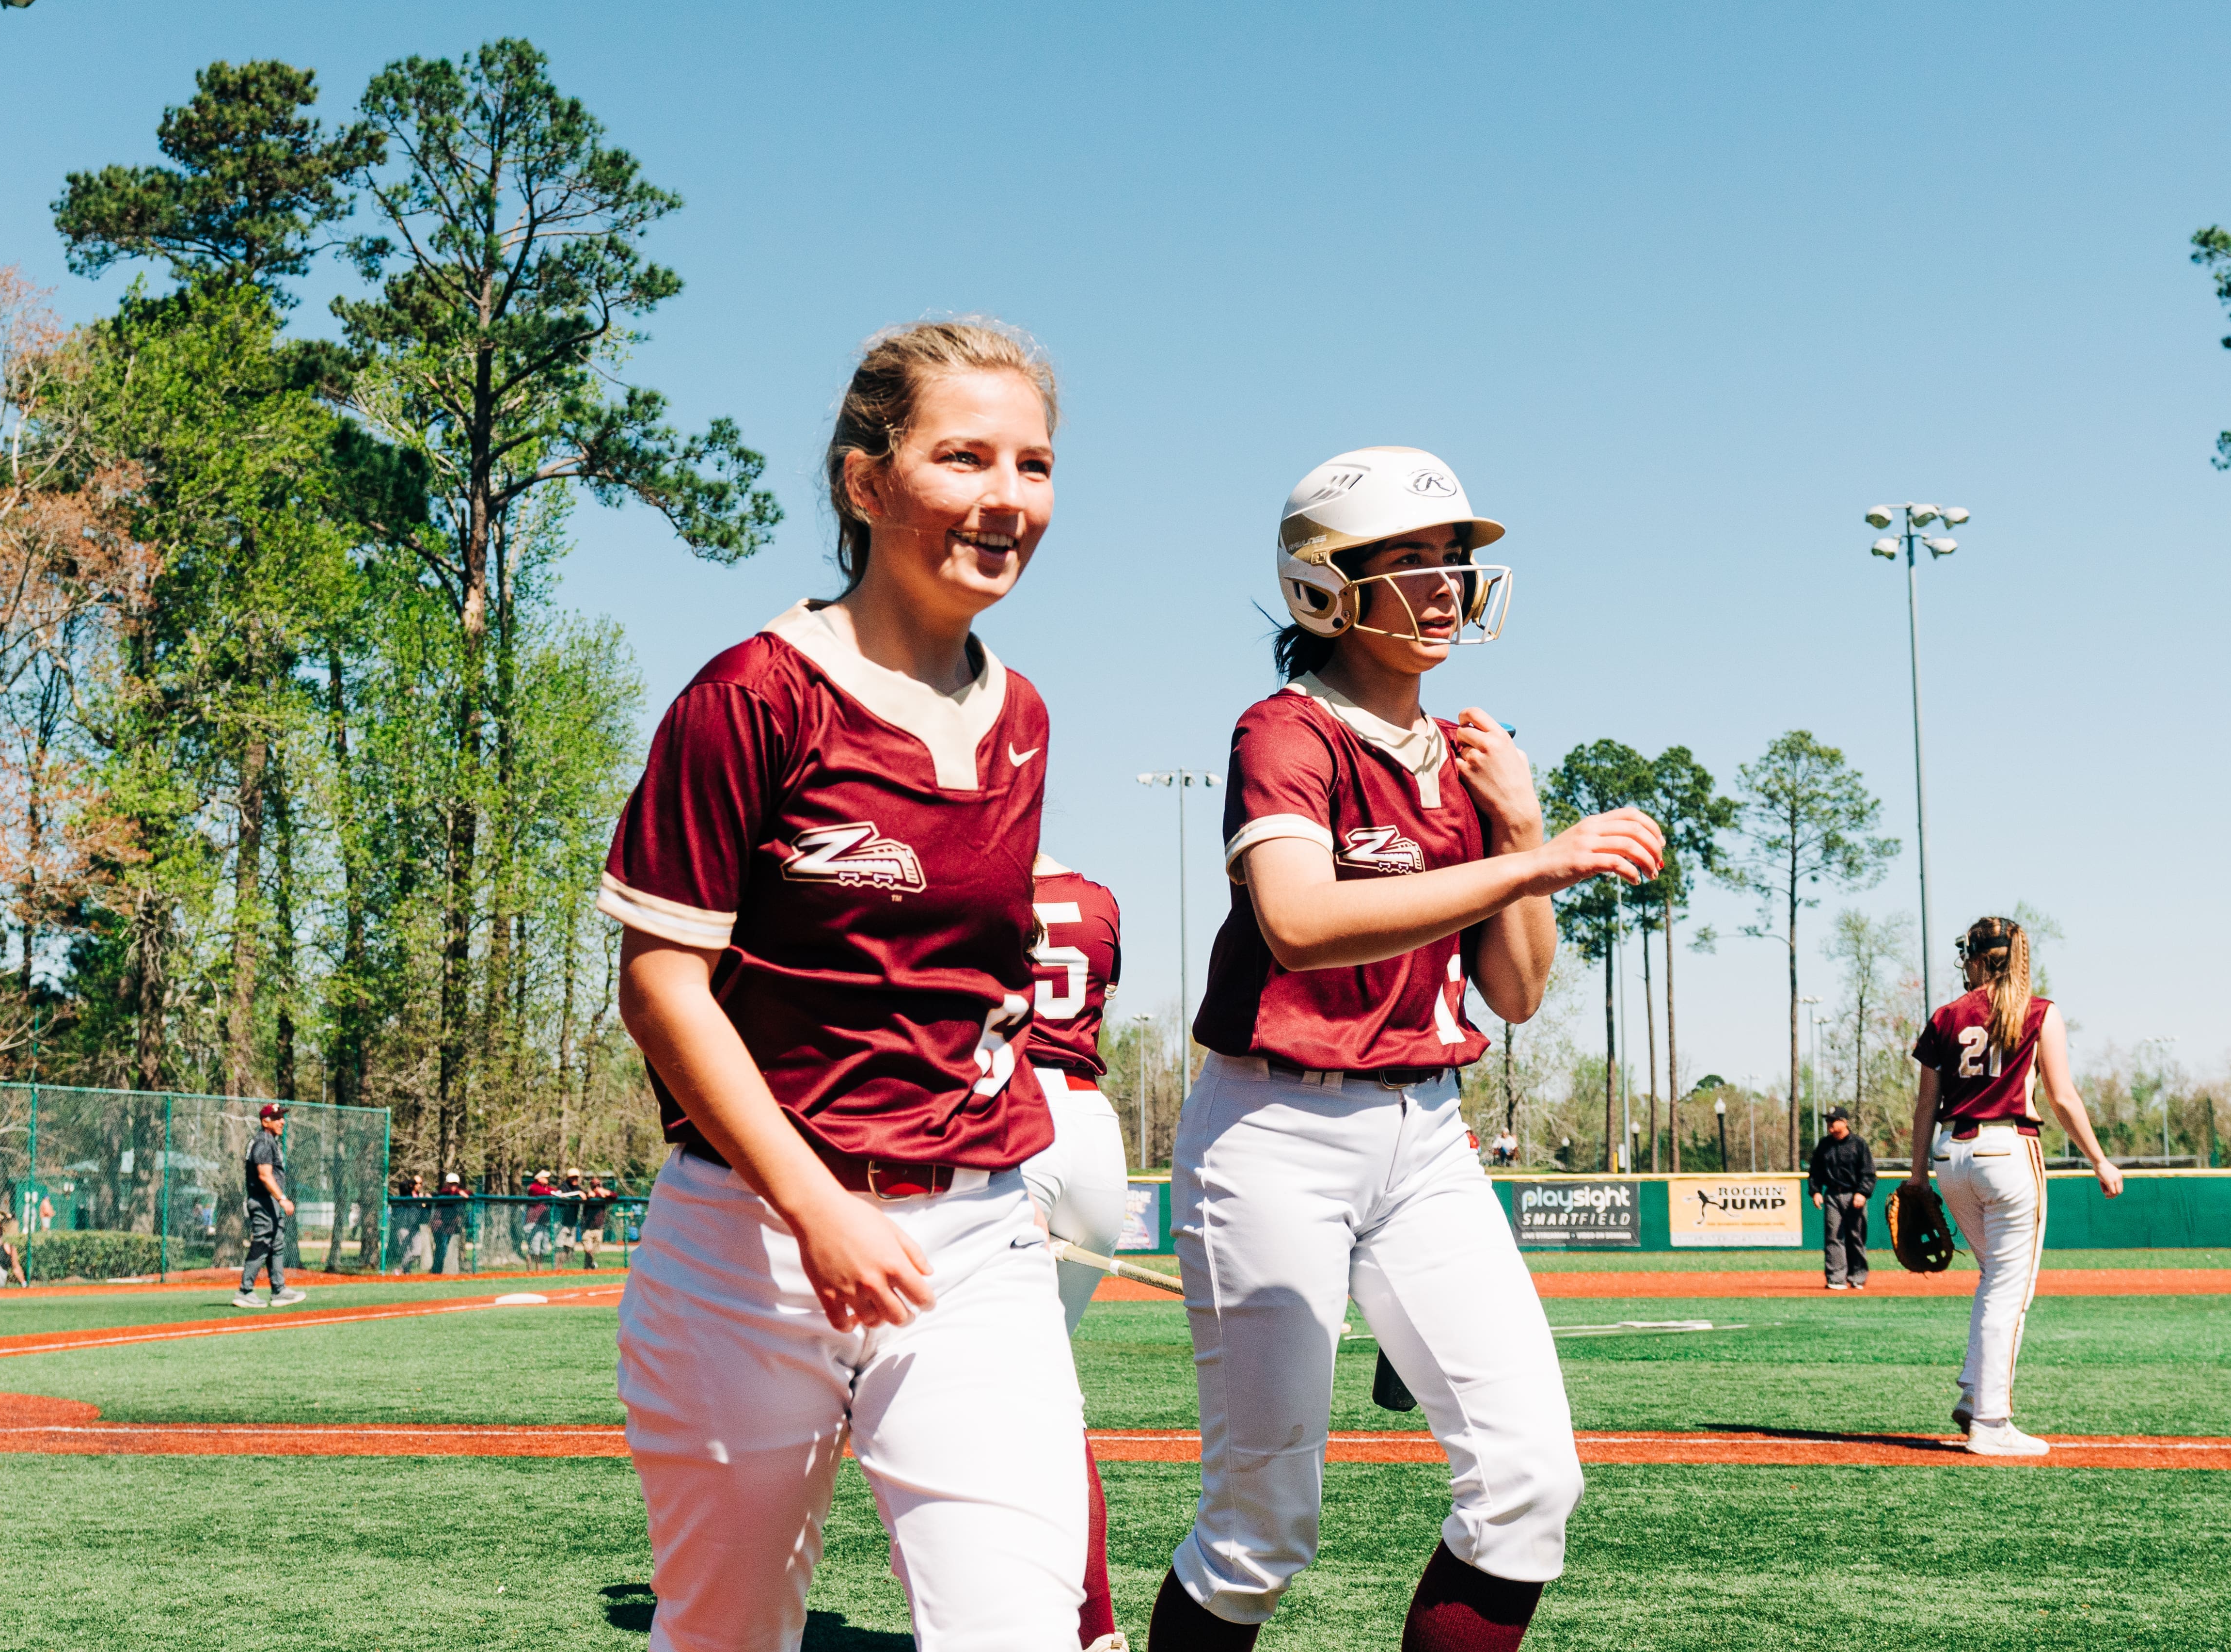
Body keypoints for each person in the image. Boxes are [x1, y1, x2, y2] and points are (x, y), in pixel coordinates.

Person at [602, 319, 1087, 1652]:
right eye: (964, 457)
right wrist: (816, 1206)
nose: (1007, 498)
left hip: (972, 1244)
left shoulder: (1027, 715)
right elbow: (660, 988)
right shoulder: (751, 694)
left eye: (1033, 465)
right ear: (866, 485)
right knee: (725, 1636)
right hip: (745, 1244)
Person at [1151, 448, 1665, 1652]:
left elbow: (1516, 989)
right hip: (1273, 1131)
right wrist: (1537, 859)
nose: (1444, 584)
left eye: (1454, 559)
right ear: (1323, 583)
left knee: (1530, 1482)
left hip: (1426, 1132)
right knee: (1259, 1525)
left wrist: (1522, 819)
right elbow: (1299, 919)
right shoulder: (1283, 729)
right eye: (1409, 560)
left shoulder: (1468, 757)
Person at [1907, 915, 2126, 1458]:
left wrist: (1915, 1177)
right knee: (2010, 1288)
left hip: (1950, 1156)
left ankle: (1970, 1392)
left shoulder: (1946, 1016)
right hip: (2007, 1153)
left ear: (1977, 955)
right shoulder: (2037, 1011)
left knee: (1995, 1280)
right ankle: (1991, 1420)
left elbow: (1924, 1106)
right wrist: (2099, 1160)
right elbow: (2063, 1097)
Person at [1023, 851, 1131, 1649]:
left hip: (1006, 1117)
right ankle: (1083, 1625)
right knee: (1038, 1393)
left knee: (993, 1405)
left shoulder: (964, 870)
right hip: (1092, 1129)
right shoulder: (1095, 898)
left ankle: (1088, 1626)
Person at [234, 1101, 306, 1309]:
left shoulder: (269, 1141)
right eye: (277, 1118)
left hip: (269, 1203)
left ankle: (279, 1290)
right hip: (264, 1202)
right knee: (263, 1243)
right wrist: (282, 1198)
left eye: (283, 1117)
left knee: (277, 1244)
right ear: (266, 1122)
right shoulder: (264, 1142)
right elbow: (265, 1176)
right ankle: (245, 1291)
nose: (282, 1121)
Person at [1808, 1106, 1877, 1290]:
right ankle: (1836, 1279)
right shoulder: (1824, 1145)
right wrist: (1815, 1191)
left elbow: (1869, 1172)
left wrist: (1863, 1192)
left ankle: (1858, 1277)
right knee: (1833, 1237)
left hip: (1854, 1195)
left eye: (1833, 1120)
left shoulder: (1858, 1144)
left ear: (1844, 1122)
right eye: (1828, 1120)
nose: (1829, 1124)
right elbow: (1815, 1171)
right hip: (1832, 1195)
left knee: (1856, 1237)